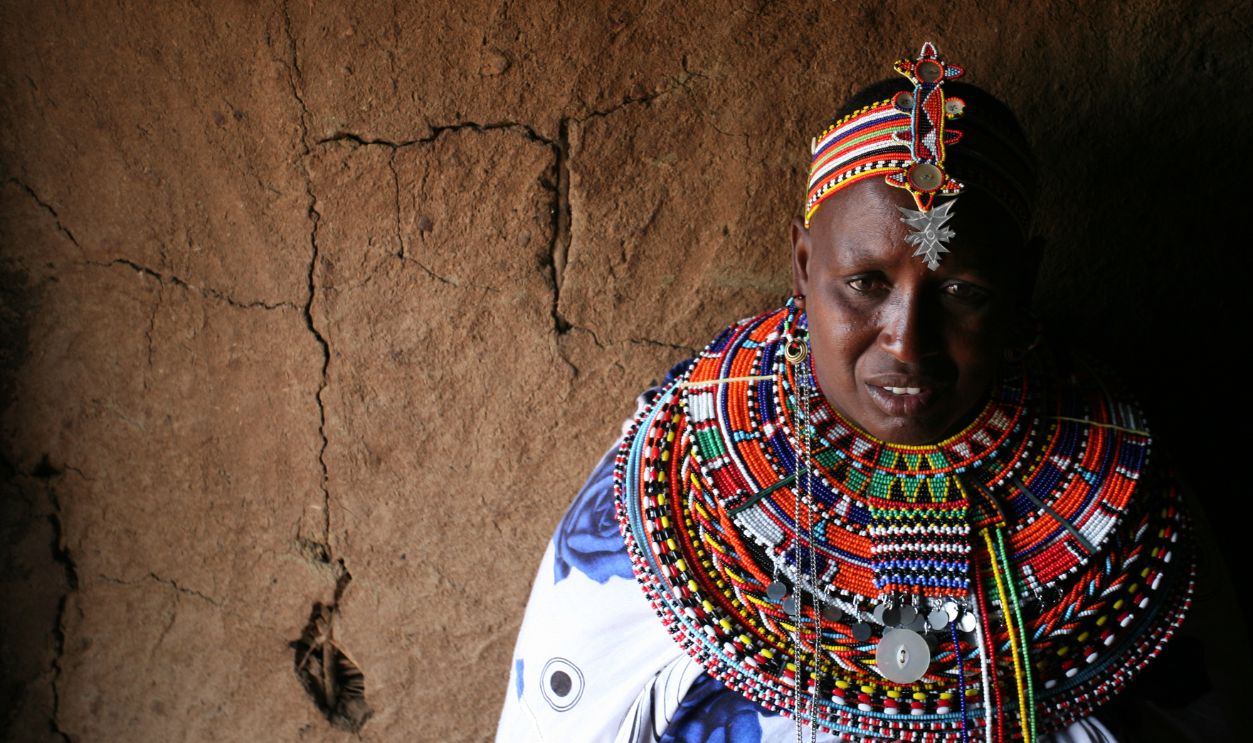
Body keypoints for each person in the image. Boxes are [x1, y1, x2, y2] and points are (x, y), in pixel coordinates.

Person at [495, 42, 1202, 742]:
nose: (905, 340)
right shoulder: (675, 477)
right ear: (803, 267)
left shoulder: (1126, 500)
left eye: (962, 291)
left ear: (1023, 285)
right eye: (865, 283)